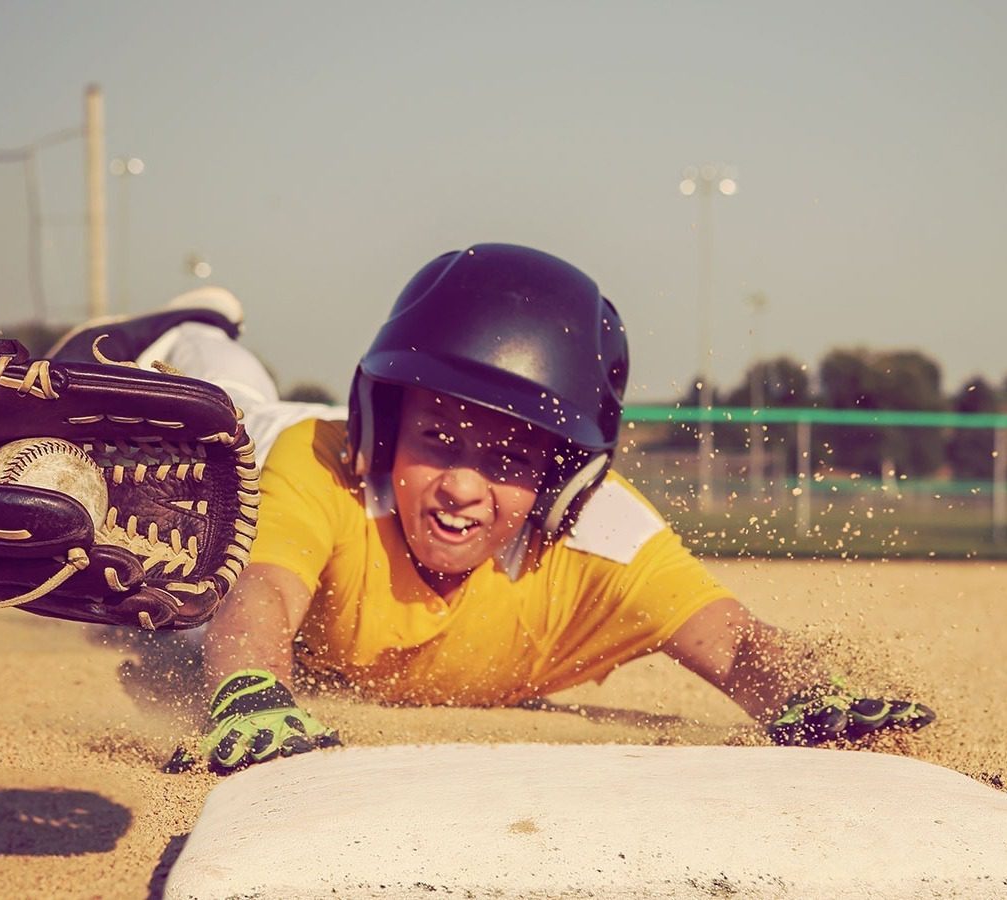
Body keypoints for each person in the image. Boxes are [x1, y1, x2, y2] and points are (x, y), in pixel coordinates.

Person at [58, 246, 934, 772]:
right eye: (437, 437)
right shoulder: (325, 466)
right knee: (217, 434)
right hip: (272, 442)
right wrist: (251, 685)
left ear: (558, 475)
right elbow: (266, 598)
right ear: (387, 425)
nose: (463, 487)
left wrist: (811, 697)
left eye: (510, 459)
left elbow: (739, 642)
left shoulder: (602, 540)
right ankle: (182, 333)